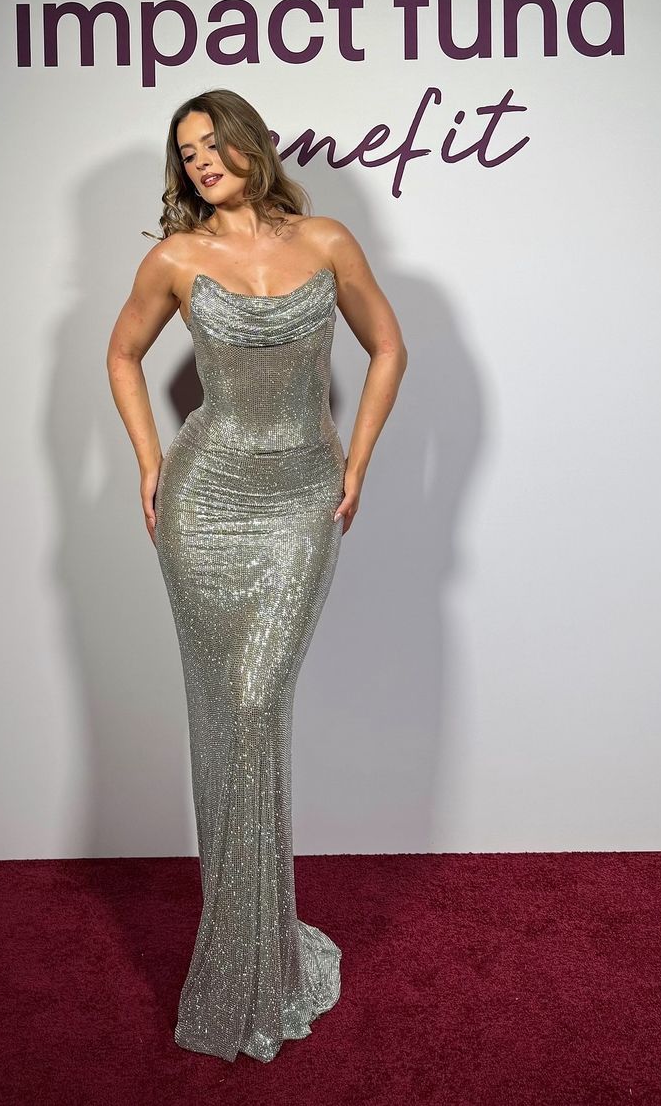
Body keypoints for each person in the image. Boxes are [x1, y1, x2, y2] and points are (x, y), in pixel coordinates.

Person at [106, 88, 407, 1062]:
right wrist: (150, 461)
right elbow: (122, 354)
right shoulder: (175, 259)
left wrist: (358, 460)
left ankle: (262, 956)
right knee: (227, 716)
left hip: (301, 502)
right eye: (186, 151)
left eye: (213, 142)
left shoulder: (326, 241)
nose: (201, 160)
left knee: (255, 704)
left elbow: (388, 347)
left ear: (251, 144)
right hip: (206, 502)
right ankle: (243, 955)